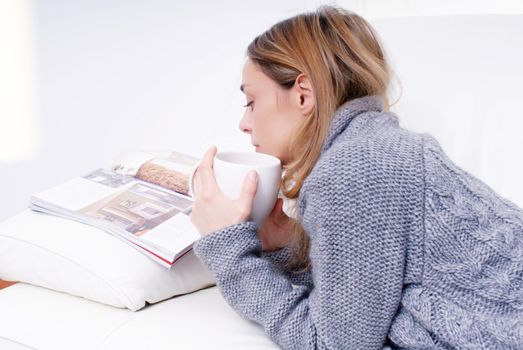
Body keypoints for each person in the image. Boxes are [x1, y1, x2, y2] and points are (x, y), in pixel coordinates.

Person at [189, 5, 523, 349]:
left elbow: (333, 344)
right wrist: (291, 247)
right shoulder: (375, 147)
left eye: (252, 101)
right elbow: (372, 296)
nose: (244, 123)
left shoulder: (353, 168)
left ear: (303, 93)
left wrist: (229, 249)